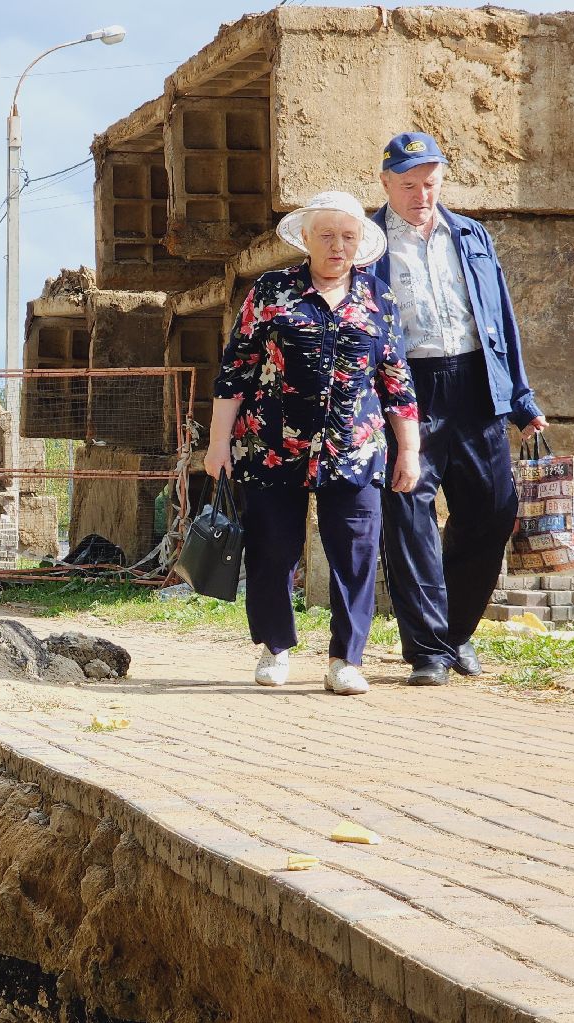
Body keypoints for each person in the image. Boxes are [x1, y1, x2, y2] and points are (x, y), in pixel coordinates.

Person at [205, 190, 420, 696]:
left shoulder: (377, 298)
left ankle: (346, 659)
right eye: (326, 235)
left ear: (360, 244)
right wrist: (218, 444)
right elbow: (235, 369)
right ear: (305, 238)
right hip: (273, 445)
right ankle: (275, 647)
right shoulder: (272, 291)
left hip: (357, 447)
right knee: (271, 550)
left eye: (347, 237)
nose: (337, 246)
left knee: (356, 553)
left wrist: (409, 449)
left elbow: (396, 379)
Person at [369, 133, 547, 686]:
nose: (420, 195)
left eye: (429, 183)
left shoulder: (470, 235)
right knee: (409, 517)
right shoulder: (368, 243)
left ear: (441, 180)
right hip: (404, 390)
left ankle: (455, 633)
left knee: (492, 510)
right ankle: (427, 650)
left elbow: (501, 319)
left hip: (474, 386)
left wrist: (521, 399)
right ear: (386, 184)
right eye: (408, 185)